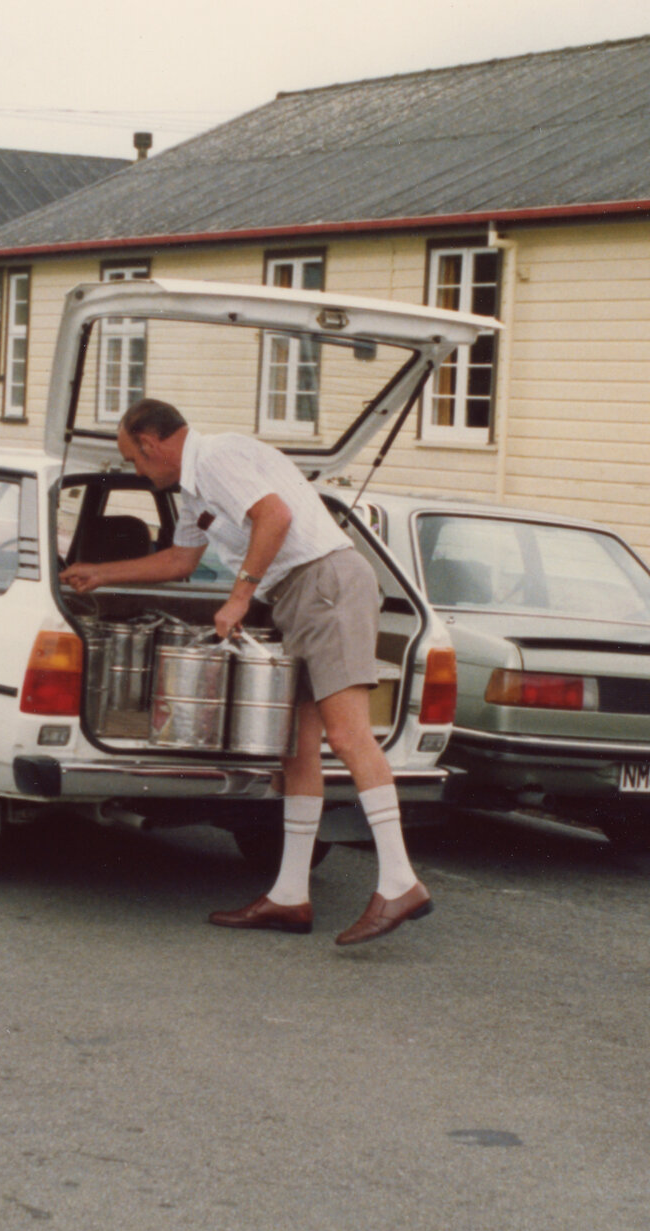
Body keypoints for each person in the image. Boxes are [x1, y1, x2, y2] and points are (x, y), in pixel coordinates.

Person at [60, 399, 432, 946]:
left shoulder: (218, 456)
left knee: (348, 734)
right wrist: (100, 572)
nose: (136, 471)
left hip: (325, 583)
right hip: (297, 595)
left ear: (151, 442)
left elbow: (274, 515)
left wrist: (239, 597)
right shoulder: (192, 490)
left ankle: (400, 881)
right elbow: (178, 562)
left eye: (133, 459)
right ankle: (288, 896)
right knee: (296, 748)